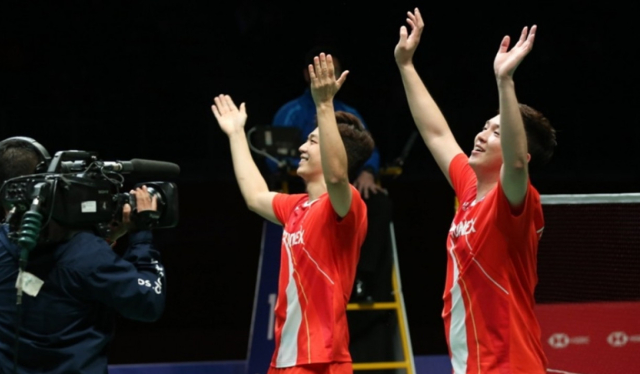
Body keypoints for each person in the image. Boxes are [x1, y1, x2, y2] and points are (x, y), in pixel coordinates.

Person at [394, 8, 557, 374]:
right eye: (485, 126)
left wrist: (505, 82)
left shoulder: (513, 201)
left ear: (520, 150)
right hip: (471, 365)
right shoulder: (469, 189)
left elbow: (515, 165)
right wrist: (406, 65)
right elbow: (436, 133)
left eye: (497, 132)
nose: (482, 135)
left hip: (509, 365)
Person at [211, 52, 374, 374]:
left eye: (312, 142)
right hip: (285, 357)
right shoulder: (297, 207)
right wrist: (235, 135)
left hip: (321, 359)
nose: (301, 148)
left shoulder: (346, 206)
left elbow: (338, 177)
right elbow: (255, 196)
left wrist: (325, 105)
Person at [0, 137, 166, 374]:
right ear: (46, 180)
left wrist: (103, 242)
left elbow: (57, 281)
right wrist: (142, 234)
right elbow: (148, 302)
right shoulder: (85, 253)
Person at [268, 45, 393, 304]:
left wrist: (368, 172)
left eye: (333, 70)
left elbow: (368, 150)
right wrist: (305, 169)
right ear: (307, 74)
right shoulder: (290, 113)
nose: (328, 75)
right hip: (302, 190)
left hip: (340, 193)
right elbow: (273, 159)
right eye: (321, 70)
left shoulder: (349, 114)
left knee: (379, 203)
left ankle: (362, 279)